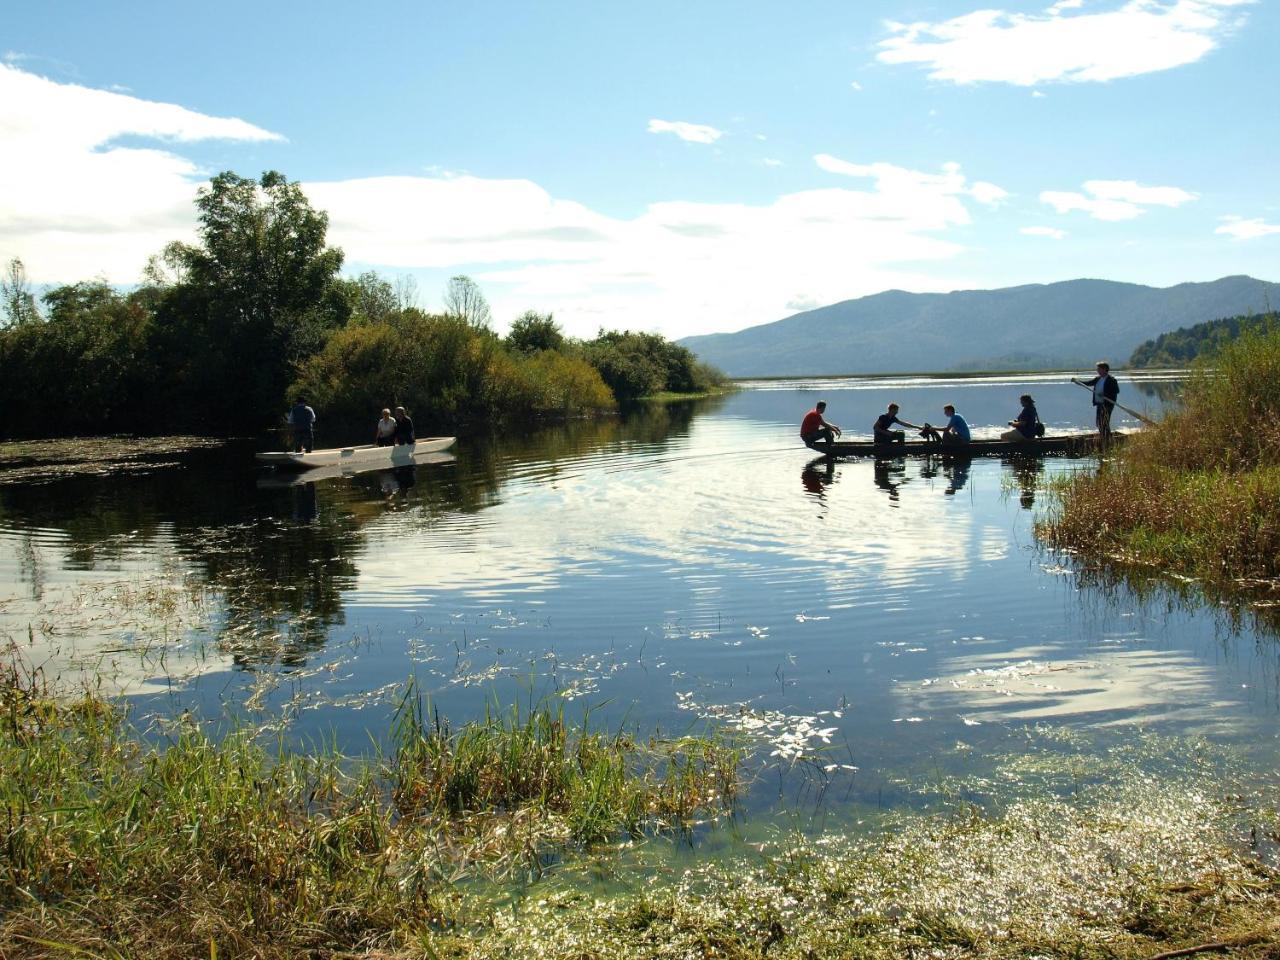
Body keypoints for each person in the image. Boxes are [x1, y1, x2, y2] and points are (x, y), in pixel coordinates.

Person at [1076, 361, 1119, 443]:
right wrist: (1079, 382)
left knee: (1104, 422)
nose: (1097, 371)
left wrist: (1104, 394)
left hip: (1107, 404)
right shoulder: (1098, 379)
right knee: (1099, 422)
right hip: (1099, 404)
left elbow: (1116, 391)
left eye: (1099, 369)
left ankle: (1107, 439)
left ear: (1104, 369)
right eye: (1097, 369)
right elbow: (1089, 383)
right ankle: (1104, 437)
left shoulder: (1111, 380)